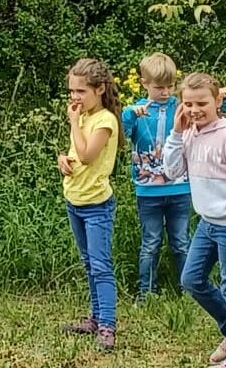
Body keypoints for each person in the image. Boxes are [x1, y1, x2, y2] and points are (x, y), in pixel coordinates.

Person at [159, 72, 226, 368]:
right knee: (192, 280)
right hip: (208, 223)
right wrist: (176, 134)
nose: (194, 110)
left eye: (201, 103)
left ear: (217, 101)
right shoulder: (189, 133)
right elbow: (172, 170)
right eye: (188, 103)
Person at [57, 58, 124, 352]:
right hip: (75, 200)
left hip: (96, 205)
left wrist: (73, 121)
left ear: (99, 89)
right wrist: (63, 160)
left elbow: (87, 155)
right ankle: (95, 318)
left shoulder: (105, 121)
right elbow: (76, 154)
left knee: (100, 265)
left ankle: (108, 324)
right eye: (72, 91)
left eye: (81, 91)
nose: (74, 97)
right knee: (88, 263)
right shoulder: (83, 116)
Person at [121, 53, 189, 299]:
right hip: (147, 189)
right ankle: (146, 292)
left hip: (180, 188)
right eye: (159, 87)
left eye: (170, 86)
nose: (166, 92)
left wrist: (223, 100)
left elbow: (208, 112)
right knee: (150, 243)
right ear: (144, 83)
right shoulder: (137, 110)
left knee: (181, 242)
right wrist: (129, 115)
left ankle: (189, 290)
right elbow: (122, 134)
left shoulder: (180, 107)